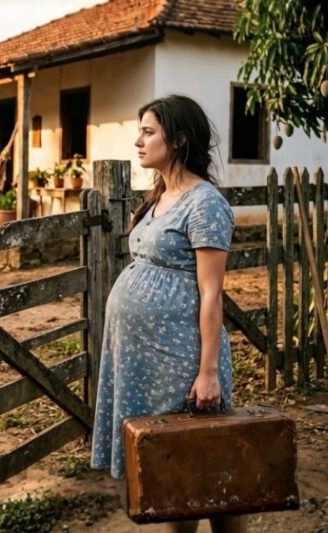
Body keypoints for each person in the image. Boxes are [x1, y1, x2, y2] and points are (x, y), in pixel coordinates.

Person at [90, 95, 246, 533]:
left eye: (148, 131)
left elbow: (212, 293)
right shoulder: (161, 196)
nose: (138, 140)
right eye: (140, 130)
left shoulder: (204, 203)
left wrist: (208, 372)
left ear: (177, 140)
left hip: (180, 358)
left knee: (207, 467)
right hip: (146, 361)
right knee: (174, 470)